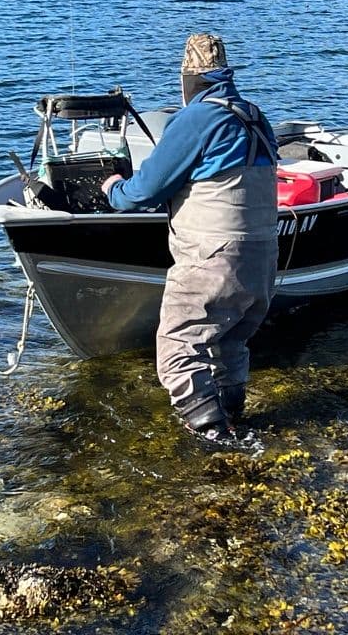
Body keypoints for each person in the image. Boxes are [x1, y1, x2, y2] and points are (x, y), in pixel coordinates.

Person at [101, 34, 278, 438]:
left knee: (178, 347)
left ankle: (213, 436)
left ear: (188, 79)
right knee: (228, 343)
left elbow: (143, 192)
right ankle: (234, 419)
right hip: (264, 257)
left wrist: (113, 189)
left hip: (213, 256)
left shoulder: (197, 119)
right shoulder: (254, 116)